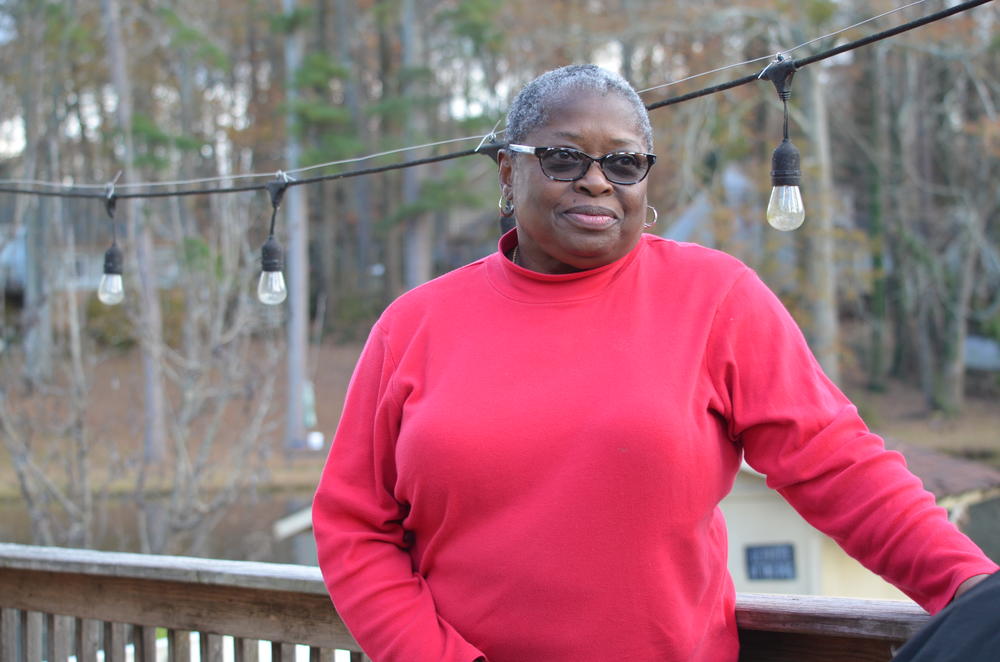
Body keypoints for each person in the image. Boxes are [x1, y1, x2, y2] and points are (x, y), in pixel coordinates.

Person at [312, 64, 997, 662]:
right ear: (507, 170)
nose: (596, 182)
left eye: (624, 163)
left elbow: (838, 464)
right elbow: (353, 526)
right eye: (562, 159)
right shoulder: (415, 325)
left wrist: (973, 589)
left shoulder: (716, 298)